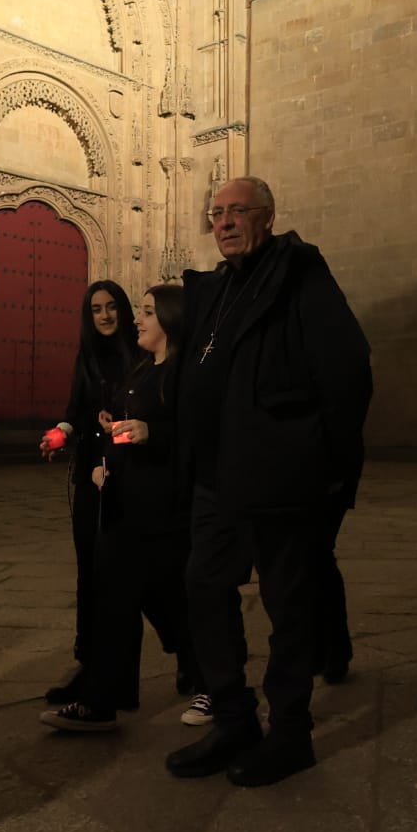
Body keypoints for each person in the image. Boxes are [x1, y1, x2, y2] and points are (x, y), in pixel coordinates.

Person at [167, 177, 372, 788]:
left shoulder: (299, 274)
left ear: (269, 215)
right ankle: (233, 719)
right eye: (217, 214)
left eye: (237, 212)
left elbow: (347, 371)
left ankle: (290, 732)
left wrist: (328, 464)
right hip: (214, 475)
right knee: (204, 587)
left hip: (282, 475)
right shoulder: (214, 289)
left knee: (289, 605)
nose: (224, 223)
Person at [42, 284, 198, 732]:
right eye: (98, 309)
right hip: (117, 486)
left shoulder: (172, 371)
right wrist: (91, 442)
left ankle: (201, 666)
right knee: (110, 588)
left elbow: (188, 433)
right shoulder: (139, 368)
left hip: (154, 503)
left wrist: (148, 434)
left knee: (148, 592)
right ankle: (103, 691)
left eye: (141, 311)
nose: (126, 319)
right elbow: (101, 413)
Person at [38, 281, 141, 703]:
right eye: (96, 308)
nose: (104, 315)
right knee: (88, 573)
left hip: (124, 474)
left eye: (112, 307)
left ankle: (138, 671)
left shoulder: (139, 354)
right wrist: (62, 434)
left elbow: (144, 410)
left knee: (122, 579)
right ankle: (88, 662)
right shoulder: (86, 355)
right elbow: (76, 411)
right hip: (88, 475)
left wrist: (114, 424)